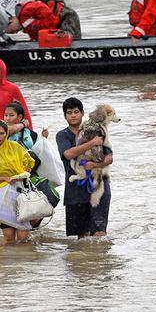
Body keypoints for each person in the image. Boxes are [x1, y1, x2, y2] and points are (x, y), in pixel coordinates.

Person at [56, 97, 113, 238]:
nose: (73, 115)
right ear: (65, 116)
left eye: (76, 112)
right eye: (69, 112)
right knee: (83, 237)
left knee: (99, 233)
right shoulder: (62, 135)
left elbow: (109, 158)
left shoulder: (97, 129)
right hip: (75, 190)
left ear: (82, 113)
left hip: (99, 185)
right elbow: (68, 154)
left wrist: (94, 165)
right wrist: (92, 142)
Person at [0, 58, 33, 142]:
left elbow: (25, 112)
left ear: (1, 73)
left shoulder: (12, 89)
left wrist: (30, 134)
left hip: (9, 133)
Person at [5, 0, 82, 41]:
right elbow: (36, 39)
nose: (16, 32)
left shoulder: (25, 11)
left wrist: (51, 33)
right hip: (58, 23)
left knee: (72, 43)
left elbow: (49, 17)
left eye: (13, 31)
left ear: (11, 20)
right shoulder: (26, 27)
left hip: (66, 17)